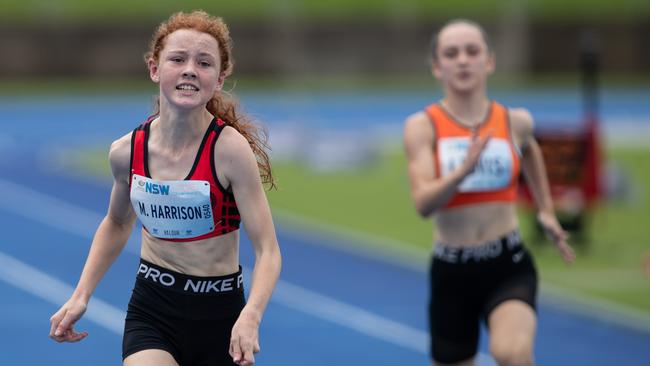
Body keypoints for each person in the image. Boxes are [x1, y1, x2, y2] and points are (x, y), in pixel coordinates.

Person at [49, 11, 281, 366]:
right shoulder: (127, 152)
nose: (190, 69)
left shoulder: (229, 151)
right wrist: (81, 294)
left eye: (203, 63)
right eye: (178, 59)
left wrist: (251, 315)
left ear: (218, 80)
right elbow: (117, 222)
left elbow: (267, 249)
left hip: (220, 316)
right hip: (154, 308)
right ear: (155, 69)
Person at [403, 19, 575, 366]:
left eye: (472, 51)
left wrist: (545, 209)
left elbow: (530, 150)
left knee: (511, 352)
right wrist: (462, 171)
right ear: (438, 67)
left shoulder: (515, 122)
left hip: (507, 263)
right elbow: (423, 204)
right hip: (452, 270)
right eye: (451, 54)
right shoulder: (423, 127)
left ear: (489, 61)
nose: (463, 60)